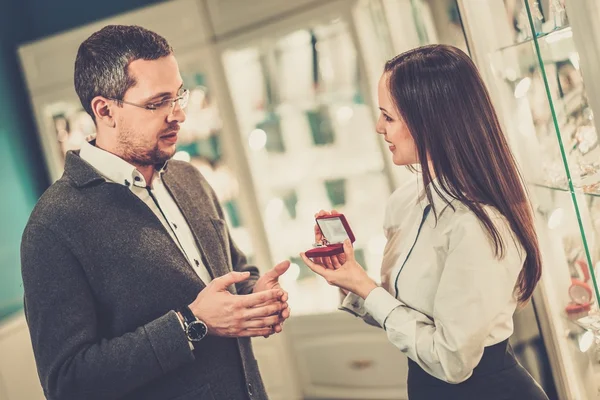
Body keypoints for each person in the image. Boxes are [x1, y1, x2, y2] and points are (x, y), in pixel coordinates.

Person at [21, 25, 290, 400]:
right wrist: (191, 323)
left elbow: (233, 271)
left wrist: (254, 294)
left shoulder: (189, 178)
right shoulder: (54, 225)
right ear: (105, 110)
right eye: (156, 103)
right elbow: (67, 382)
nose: (177, 114)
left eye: (179, 95)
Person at [300, 44, 549, 400]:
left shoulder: (479, 224)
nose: (378, 127)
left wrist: (368, 289)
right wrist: (351, 277)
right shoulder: (406, 202)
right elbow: (406, 319)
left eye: (388, 116)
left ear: (428, 121)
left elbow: (451, 361)